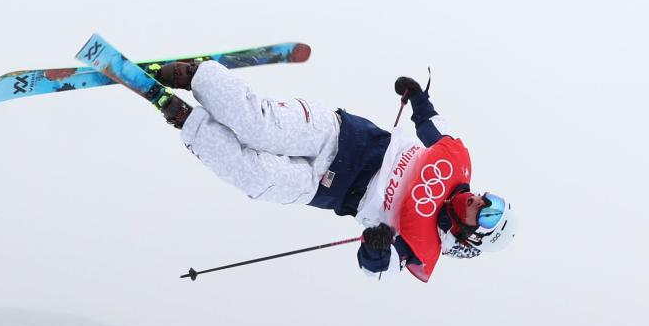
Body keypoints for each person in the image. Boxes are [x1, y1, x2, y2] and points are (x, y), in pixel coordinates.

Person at [150, 59, 517, 282]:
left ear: (474, 236)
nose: (481, 201)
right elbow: (432, 123)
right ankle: (199, 77)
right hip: (340, 136)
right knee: (259, 128)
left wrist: (375, 250)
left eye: (488, 213)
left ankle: (187, 121)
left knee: (256, 179)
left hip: (326, 190)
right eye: (491, 199)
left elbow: (379, 272)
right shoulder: (454, 165)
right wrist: (417, 96)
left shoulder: (423, 246)